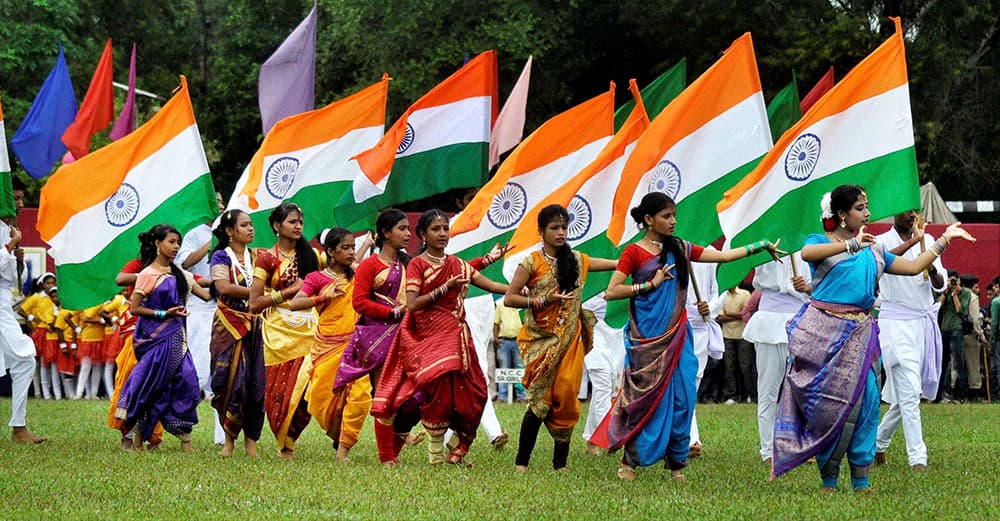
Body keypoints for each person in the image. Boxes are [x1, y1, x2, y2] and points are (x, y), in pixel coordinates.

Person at [772, 185, 975, 492]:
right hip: (825, 338)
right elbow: (807, 253)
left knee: (866, 404)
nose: (867, 213)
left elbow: (913, 267)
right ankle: (829, 478)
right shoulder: (822, 243)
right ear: (842, 215)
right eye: (860, 208)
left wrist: (944, 239)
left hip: (862, 336)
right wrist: (852, 245)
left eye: (867, 206)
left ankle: (861, 479)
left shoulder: (874, 249)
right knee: (828, 409)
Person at [604, 192, 782, 481]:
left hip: (678, 337)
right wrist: (650, 284)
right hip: (646, 341)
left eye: (674, 215)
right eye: (666, 216)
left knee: (683, 398)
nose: (673, 221)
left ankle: (677, 464)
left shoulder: (680, 248)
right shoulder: (633, 253)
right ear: (649, 220)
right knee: (646, 400)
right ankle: (630, 462)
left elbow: (722, 256)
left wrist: (759, 247)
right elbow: (612, 291)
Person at [373, 209, 509, 466]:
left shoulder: (456, 264)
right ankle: (434, 457)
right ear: (422, 234)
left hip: (458, 340)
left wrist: (520, 289)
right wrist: (445, 288)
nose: (443, 234)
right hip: (426, 339)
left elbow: (491, 286)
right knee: (437, 397)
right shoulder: (418, 264)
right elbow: (412, 304)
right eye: (436, 229)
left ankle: (458, 450)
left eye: (445, 229)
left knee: (476, 394)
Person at [506, 204, 617, 472]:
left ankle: (560, 465)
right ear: (541, 231)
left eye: (564, 227)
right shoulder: (530, 262)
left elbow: (612, 265)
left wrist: (638, 261)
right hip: (540, 341)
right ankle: (522, 463)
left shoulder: (576, 260)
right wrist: (545, 299)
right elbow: (510, 298)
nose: (560, 232)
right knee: (540, 400)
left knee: (567, 395)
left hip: (570, 342)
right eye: (554, 228)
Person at [115, 224, 212, 452]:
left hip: (179, 340)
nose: (176, 246)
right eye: (171, 242)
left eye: (178, 242)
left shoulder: (181, 274)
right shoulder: (147, 274)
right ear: (158, 244)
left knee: (187, 384)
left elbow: (206, 295)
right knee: (152, 389)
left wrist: (230, 285)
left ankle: (186, 442)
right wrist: (163, 314)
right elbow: (136, 309)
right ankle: (138, 440)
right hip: (155, 341)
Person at [288, 227, 373, 462]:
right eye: (345, 248)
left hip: (355, 346)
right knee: (324, 401)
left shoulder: (356, 275)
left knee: (360, 397)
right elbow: (296, 303)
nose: (350, 252)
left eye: (352, 248)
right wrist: (325, 296)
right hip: (326, 348)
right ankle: (337, 434)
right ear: (331, 251)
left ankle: (343, 449)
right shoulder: (317, 278)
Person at [336, 209, 411, 465]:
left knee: (413, 395)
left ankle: (395, 449)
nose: (408, 233)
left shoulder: (408, 264)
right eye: (402, 228)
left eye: (409, 229)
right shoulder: (370, 265)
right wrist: (392, 312)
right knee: (384, 395)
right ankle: (386, 457)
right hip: (376, 339)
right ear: (386, 234)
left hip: (405, 336)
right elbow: (359, 302)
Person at [873, 209, 945, 471]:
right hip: (895, 323)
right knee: (910, 391)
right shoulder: (881, 242)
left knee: (909, 394)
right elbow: (888, 261)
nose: (913, 214)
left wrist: (931, 264)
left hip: (922, 325)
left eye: (917, 210)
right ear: (894, 212)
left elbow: (940, 285)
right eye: (908, 210)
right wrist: (917, 242)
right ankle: (918, 458)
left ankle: (878, 444)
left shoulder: (930, 240)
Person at [248, 202, 320, 459]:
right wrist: (288, 292)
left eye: (300, 221)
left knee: (309, 388)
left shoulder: (311, 256)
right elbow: (254, 304)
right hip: (278, 333)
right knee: (280, 392)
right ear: (277, 226)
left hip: (310, 329)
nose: (298, 225)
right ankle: (285, 446)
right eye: (292, 221)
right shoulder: (266, 258)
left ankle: (290, 439)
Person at [742, 256, 810, 465]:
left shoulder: (810, 245)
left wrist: (807, 287)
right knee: (768, 390)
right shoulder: (765, 244)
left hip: (801, 318)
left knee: (801, 389)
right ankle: (768, 449)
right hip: (770, 320)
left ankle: (798, 444)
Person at [209, 209, 265, 458]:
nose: (251, 228)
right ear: (230, 231)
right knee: (230, 382)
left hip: (255, 325)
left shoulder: (258, 257)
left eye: (251, 224)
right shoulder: (221, 256)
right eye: (245, 225)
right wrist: (258, 291)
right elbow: (223, 287)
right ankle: (229, 442)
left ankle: (251, 443)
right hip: (229, 326)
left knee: (256, 383)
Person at [179, 191, 225, 444]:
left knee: (222, 373)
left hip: (224, 307)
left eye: (221, 202)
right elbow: (184, 263)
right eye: (214, 202)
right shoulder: (194, 233)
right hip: (199, 308)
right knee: (194, 375)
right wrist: (212, 242)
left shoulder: (232, 234)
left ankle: (221, 437)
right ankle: (182, 428)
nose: (219, 206)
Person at [0, 208, 46, 443]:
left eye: (19, 198)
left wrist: (18, 259)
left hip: (3, 303)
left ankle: (19, 427)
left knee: (25, 359)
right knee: (24, 357)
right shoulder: (9, 235)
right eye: (14, 197)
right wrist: (9, 248)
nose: (17, 203)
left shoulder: (7, 231)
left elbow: (14, 277)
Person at [19, 273, 57, 399]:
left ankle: (49, 392)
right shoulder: (37, 297)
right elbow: (21, 309)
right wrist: (31, 317)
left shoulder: (56, 297)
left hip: (52, 333)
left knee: (48, 363)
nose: (51, 285)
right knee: (37, 362)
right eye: (48, 283)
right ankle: (38, 391)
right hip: (39, 333)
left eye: (53, 283)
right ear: (42, 285)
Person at [937, 269, 972, 402]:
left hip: (957, 330)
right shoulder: (945, 293)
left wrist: (954, 294)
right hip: (945, 329)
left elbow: (961, 311)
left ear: (958, 281)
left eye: (954, 281)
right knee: (942, 363)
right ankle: (939, 394)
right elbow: (938, 307)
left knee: (959, 363)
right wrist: (946, 292)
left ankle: (962, 395)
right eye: (950, 280)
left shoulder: (965, 293)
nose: (952, 283)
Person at [718, 283, 754, 404]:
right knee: (729, 366)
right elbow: (720, 317)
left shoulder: (745, 294)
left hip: (743, 335)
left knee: (746, 366)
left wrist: (729, 314)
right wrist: (738, 314)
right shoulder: (722, 296)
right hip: (727, 335)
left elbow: (746, 313)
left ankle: (749, 394)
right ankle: (731, 396)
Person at [494, 299, 526, 402]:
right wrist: (495, 338)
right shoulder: (501, 305)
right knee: (504, 368)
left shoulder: (523, 305)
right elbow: (496, 323)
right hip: (504, 341)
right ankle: (502, 396)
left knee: (520, 368)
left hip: (519, 340)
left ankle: (522, 396)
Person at [960, 275, 987, 401]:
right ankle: (974, 392)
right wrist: (981, 335)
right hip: (971, 335)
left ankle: (957, 391)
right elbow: (975, 320)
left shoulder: (958, 295)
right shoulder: (972, 297)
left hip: (958, 334)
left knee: (958, 365)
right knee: (973, 365)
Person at [74, 303, 106, 399]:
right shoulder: (91, 304)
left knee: (97, 368)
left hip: (100, 338)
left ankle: (93, 394)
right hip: (88, 339)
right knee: (85, 367)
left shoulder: (102, 303)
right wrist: (100, 320)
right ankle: (79, 393)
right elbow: (85, 319)